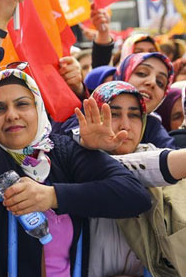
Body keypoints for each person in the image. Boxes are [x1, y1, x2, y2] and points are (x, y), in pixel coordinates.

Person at [0, 0, 151, 276]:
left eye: (22, 104)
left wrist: (52, 195)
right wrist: (0, 19)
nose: (12, 114)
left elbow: (133, 196)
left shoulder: (63, 150)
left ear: (39, 109)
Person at [74, 81, 186, 276]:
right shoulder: (73, 158)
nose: (125, 125)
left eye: (134, 115)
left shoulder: (151, 153)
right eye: (114, 113)